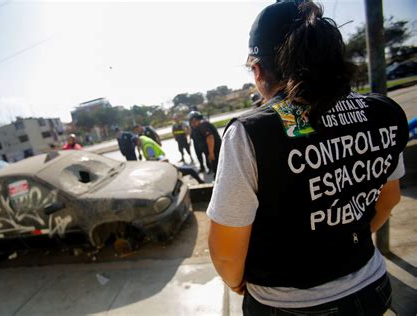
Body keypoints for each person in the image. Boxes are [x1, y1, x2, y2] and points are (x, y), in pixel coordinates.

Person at [207, 2, 409, 315]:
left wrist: (237, 282)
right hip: (373, 287)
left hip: (287, 306)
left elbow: (226, 253)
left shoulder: (250, 133)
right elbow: (390, 198)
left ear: (258, 71)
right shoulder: (384, 111)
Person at [132, 135, 204, 184]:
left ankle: (200, 182)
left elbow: (153, 158)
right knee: (188, 171)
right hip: (162, 165)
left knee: (188, 171)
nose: (138, 146)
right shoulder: (142, 138)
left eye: (137, 144)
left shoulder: (147, 146)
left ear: (138, 141)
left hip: (162, 165)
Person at [189, 111, 221, 176]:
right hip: (212, 152)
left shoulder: (203, 125)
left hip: (215, 152)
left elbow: (210, 137)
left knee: (218, 170)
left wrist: (211, 153)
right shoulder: (198, 127)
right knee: (216, 170)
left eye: (191, 122)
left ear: (194, 120)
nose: (191, 124)